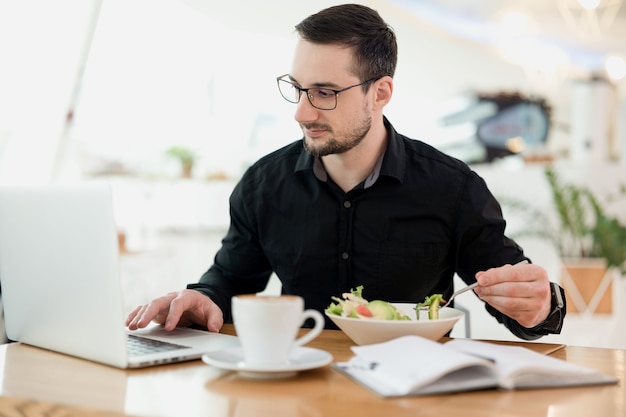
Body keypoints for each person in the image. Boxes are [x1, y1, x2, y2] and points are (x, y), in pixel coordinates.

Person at [126, 4, 565, 340]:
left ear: (381, 93)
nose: (301, 112)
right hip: (299, 389)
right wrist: (200, 298)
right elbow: (230, 279)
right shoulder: (263, 185)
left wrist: (541, 306)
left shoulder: (452, 187)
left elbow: (519, 295)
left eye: (325, 92)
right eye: (298, 89)